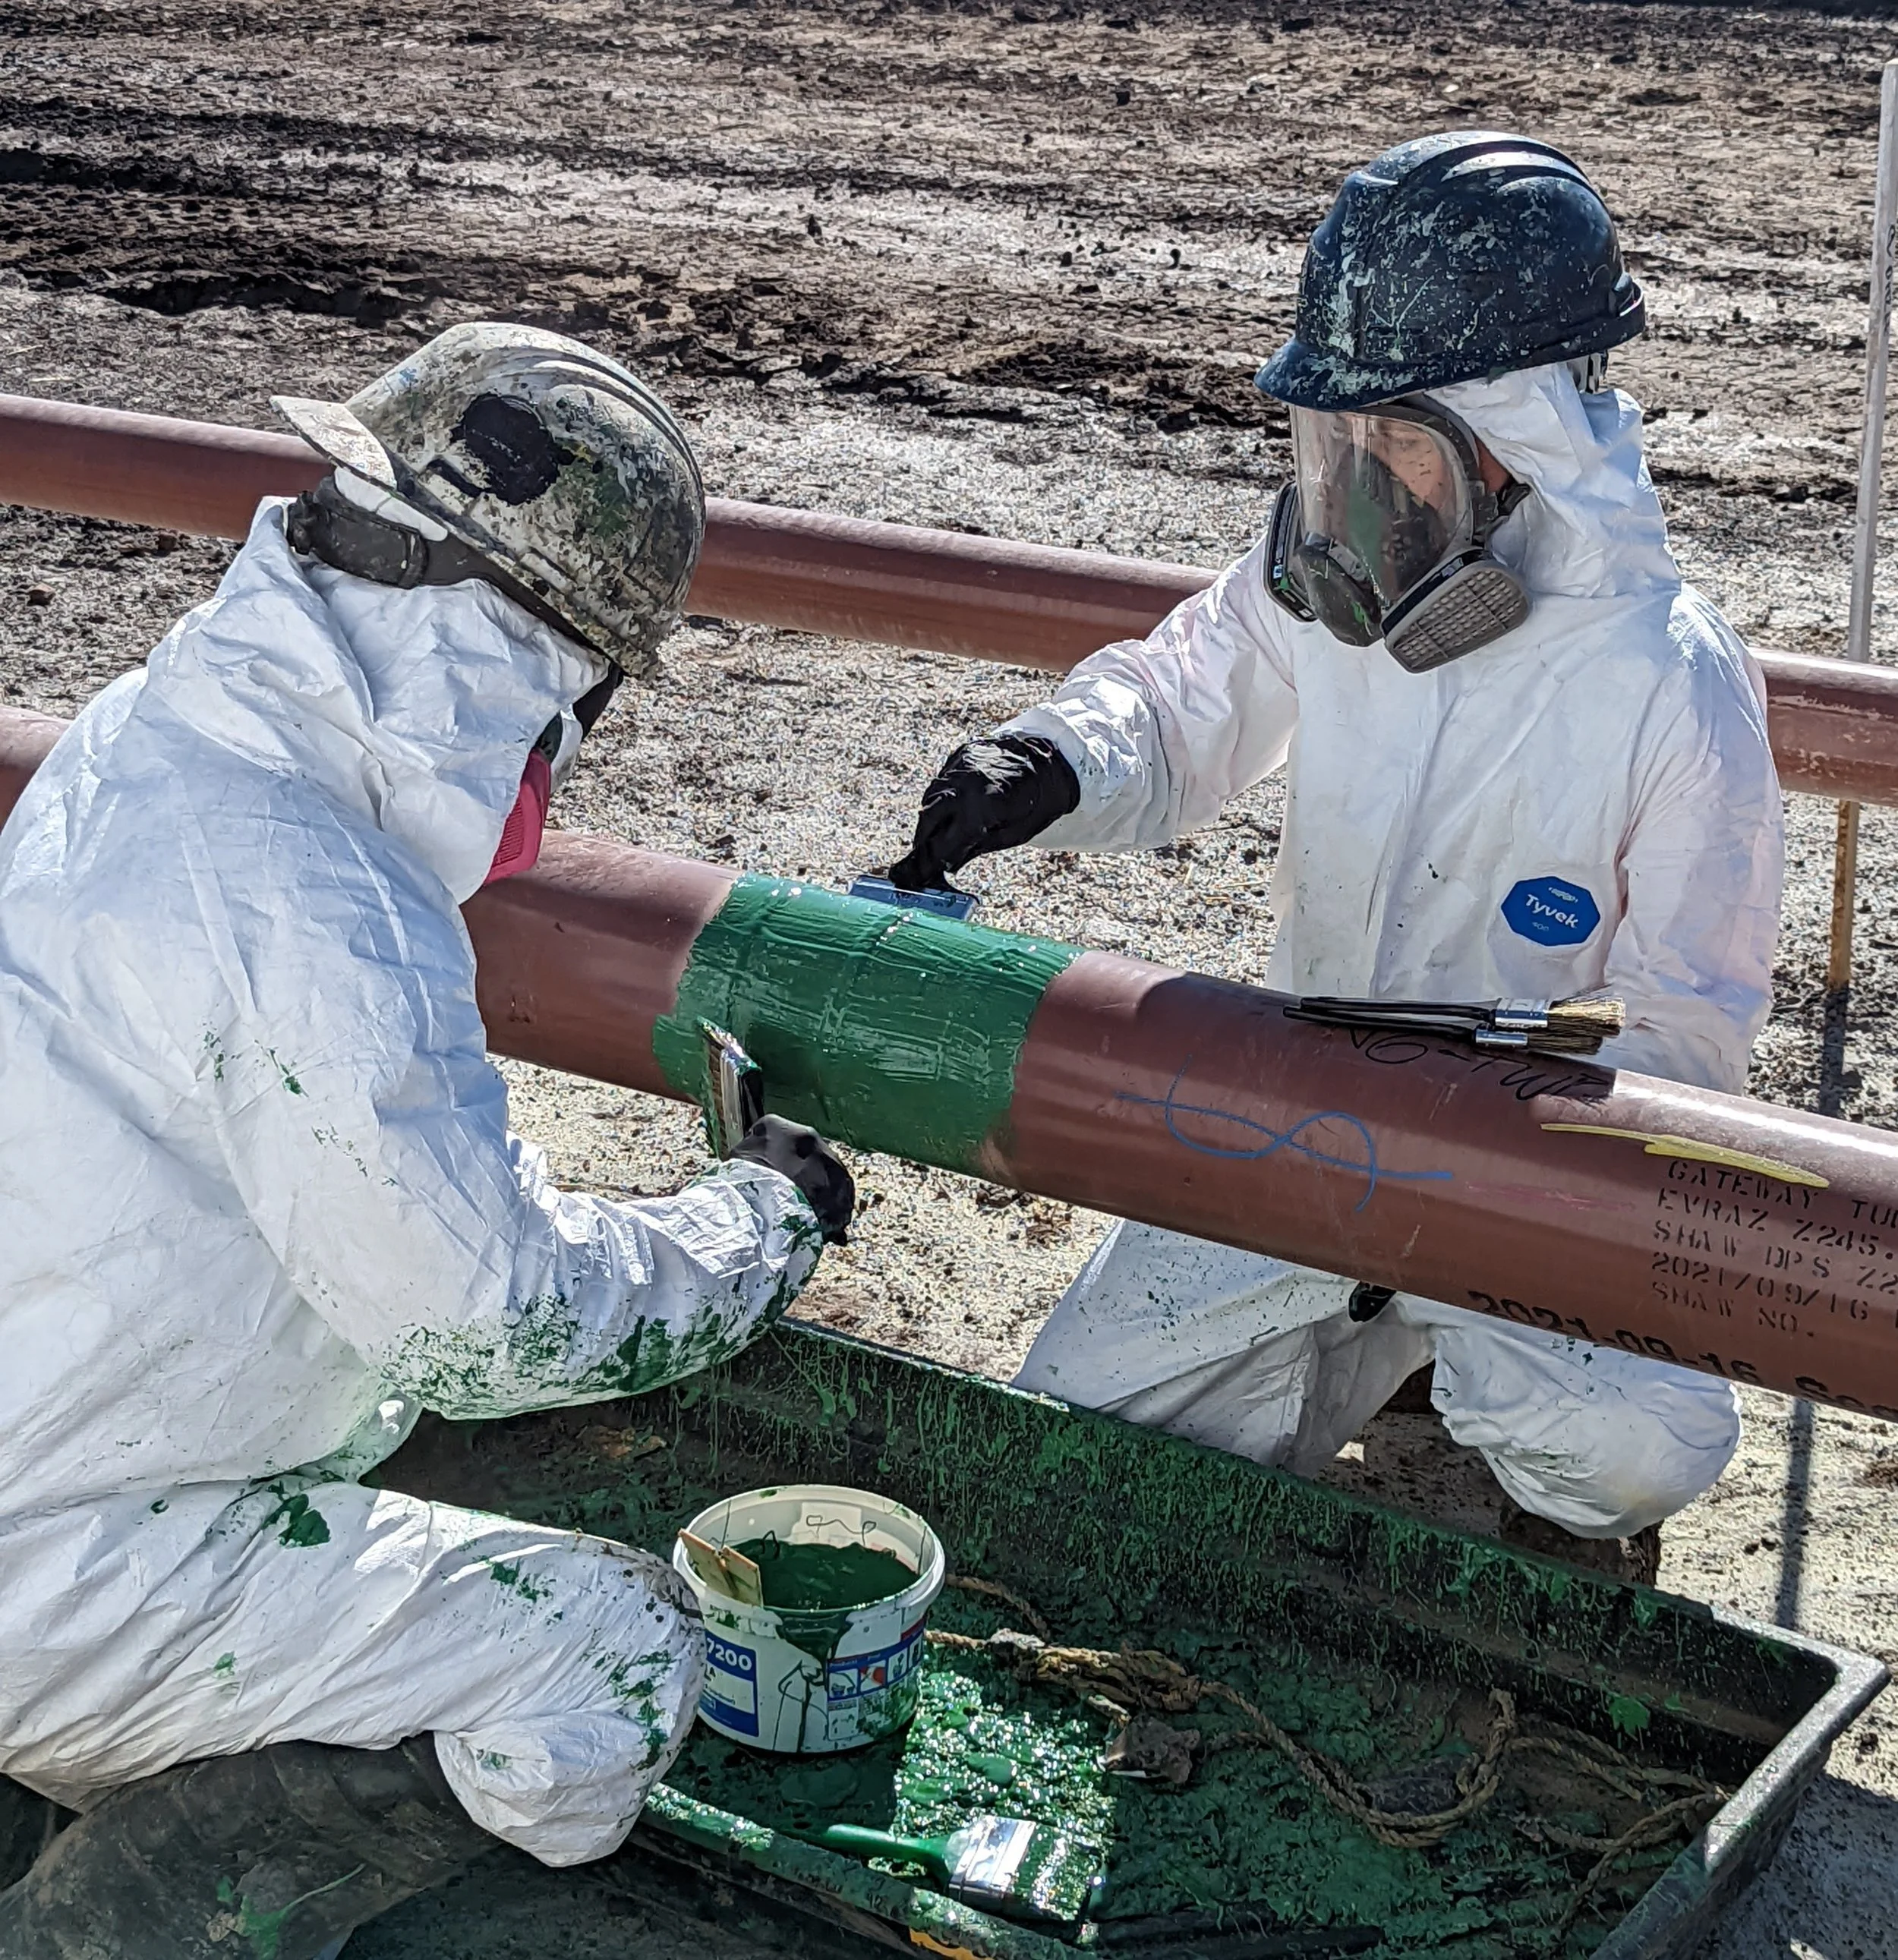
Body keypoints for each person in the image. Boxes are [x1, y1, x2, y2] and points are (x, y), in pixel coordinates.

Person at [0, 323, 854, 1957]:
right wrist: (755, 1227)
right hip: (61, 1577)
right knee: (602, 1652)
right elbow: (486, 1319)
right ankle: (125, 1917)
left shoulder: (149, 736)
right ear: (519, 654)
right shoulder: (319, 896)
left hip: (50, 1449)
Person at [891, 131, 1783, 1580]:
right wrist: (1050, 760)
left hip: (1524, 1186)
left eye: (1396, 445)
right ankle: (1368, 1351)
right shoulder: (1331, 583)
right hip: (1300, 1127)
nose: (1352, 486)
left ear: (1517, 443)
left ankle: (1454, 1383)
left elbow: (1688, 1032)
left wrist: (1510, 1195)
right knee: (1079, 1415)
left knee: (1636, 1448)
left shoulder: (1669, 687)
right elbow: (1184, 700)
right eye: (1335, 444)